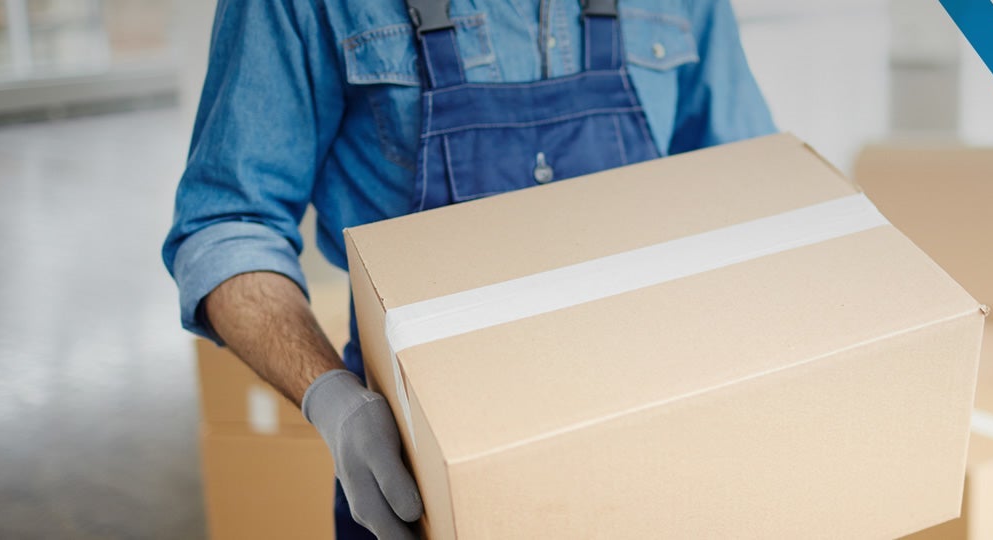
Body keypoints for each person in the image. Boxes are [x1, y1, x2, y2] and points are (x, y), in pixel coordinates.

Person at [162, 0, 774, 537]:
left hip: (655, 445)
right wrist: (330, 398)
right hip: (424, 479)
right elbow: (226, 224)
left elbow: (752, 190)